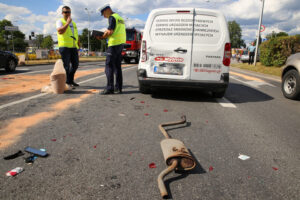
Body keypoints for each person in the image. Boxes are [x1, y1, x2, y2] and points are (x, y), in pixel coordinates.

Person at [97, 4, 126, 95]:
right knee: (117, 67)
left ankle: (110, 88)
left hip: (113, 45)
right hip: (120, 44)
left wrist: (101, 36)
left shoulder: (112, 17)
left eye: (103, 13)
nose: (104, 16)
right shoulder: (120, 18)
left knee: (109, 67)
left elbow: (110, 31)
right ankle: (118, 88)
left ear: (108, 10)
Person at [56, 6, 80, 87]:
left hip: (73, 47)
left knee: (75, 65)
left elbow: (76, 34)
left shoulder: (73, 23)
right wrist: (67, 23)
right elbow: (60, 31)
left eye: (69, 12)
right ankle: (66, 83)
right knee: (66, 66)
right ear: (62, 13)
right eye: (65, 12)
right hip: (65, 47)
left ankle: (70, 80)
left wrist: (79, 43)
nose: (67, 14)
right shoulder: (60, 21)